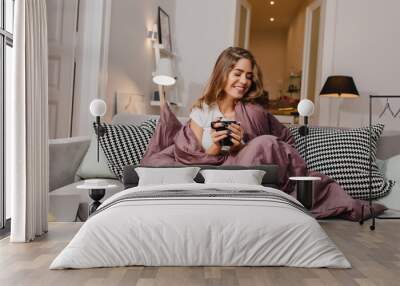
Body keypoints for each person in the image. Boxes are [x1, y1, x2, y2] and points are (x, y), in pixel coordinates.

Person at [141, 47, 385, 221]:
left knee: (264, 143)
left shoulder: (254, 112)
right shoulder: (202, 111)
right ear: (223, 73)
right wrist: (215, 149)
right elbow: (189, 155)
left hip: (245, 170)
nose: (244, 81)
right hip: (212, 175)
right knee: (160, 165)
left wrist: (242, 145)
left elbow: (281, 143)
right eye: (237, 73)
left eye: (248, 76)